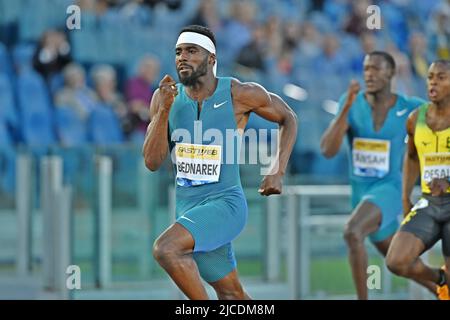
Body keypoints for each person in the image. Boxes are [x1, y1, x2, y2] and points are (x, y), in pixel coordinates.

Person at [142, 25, 297, 300]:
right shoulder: (165, 98)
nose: (182, 58)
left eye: (191, 51)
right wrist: (164, 110)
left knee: (166, 249)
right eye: (178, 52)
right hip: (189, 209)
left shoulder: (239, 93)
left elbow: (288, 118)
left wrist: (277, 169)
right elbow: (152, 162)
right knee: (232, 294)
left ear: (211, 59)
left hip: (226, 204)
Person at [320, 51, 436, 299]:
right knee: (403, 264)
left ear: (391, 73)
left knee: (352, 233)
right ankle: (441, 286)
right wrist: (346, 109)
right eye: (366, 69)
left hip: (389, 189)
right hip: (360, 195)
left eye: (375, 69)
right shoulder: (351, 102)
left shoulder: (410, 107)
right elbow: (327, 150)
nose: (369, 74)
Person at [386, 60, 450, 300]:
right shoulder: (415, 119)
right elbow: (411, 157)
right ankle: (440, 278)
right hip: (429, 203)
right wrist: (405, 196)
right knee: (396, 261)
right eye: (430, 76)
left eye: (441, 77)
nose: (433, 81)